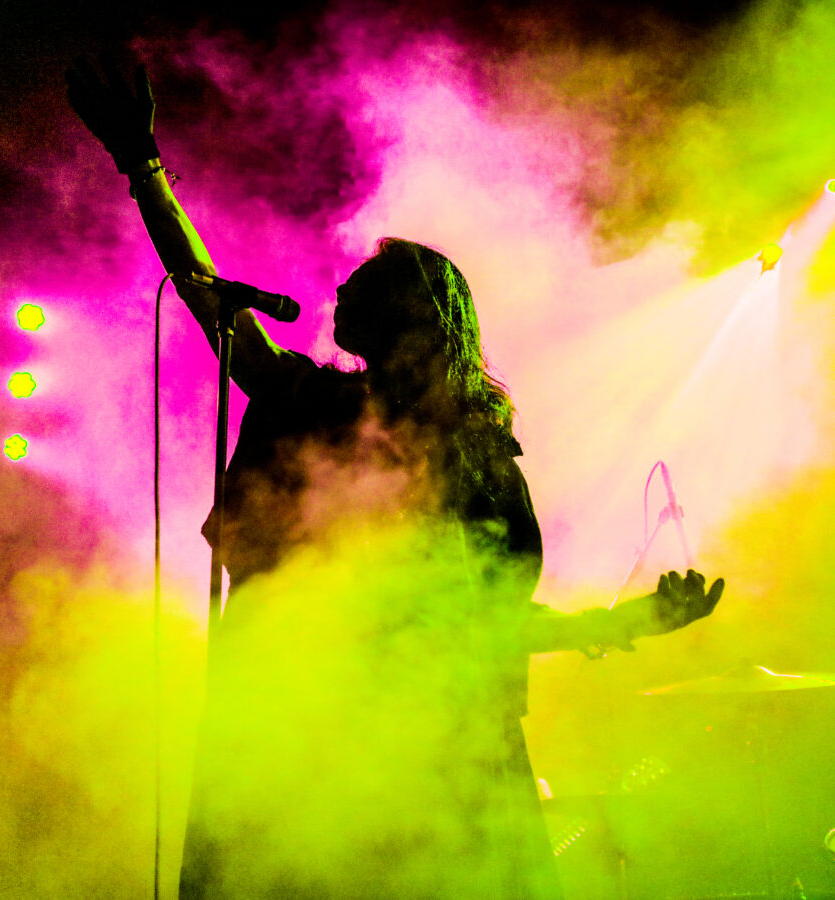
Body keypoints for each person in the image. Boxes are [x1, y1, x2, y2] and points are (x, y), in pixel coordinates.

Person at [67, 59, 724, 899]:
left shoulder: (480, 458)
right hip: (307, 749)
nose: (339, 286)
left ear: (416, 318)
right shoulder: (314, 404)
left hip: (444, 763)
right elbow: (203, 295)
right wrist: (143, 169)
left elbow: (487, 628)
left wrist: (630, 619)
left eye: (365, 285)